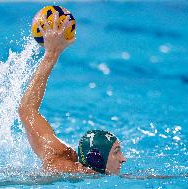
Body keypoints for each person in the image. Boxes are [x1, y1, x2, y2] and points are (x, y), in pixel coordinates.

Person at [18, 12, 126, 175]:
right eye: (116, 152)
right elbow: (25, 110)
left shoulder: (60, 152)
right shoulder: (60, 166)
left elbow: (27, 110)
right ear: (97, 158)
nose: (124, 159)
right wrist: (51, 54)